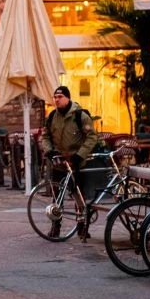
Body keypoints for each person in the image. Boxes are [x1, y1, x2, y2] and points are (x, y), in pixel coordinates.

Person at [41, 85, 99, 238]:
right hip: (59, 162)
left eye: (60, 97)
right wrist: (49, 150)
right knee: (56, 196)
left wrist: (80, 155)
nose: (56, 100)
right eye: (55, 97)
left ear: (68, 98)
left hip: (76, 163)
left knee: (78, 196)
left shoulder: (80, 115)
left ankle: (82, 227)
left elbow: (92, 137)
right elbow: (45, 136)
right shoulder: (52, 116)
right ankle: (55, 226)